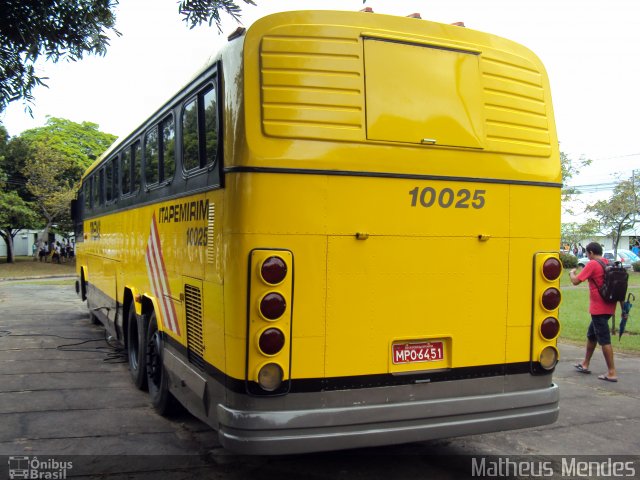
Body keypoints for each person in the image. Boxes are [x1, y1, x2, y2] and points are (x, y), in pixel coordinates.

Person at [569, 242, 626, 382]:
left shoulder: (593, 264)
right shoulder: (608, 263)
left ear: (591, 253)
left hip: (598, 308)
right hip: (609, 307)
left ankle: (611, 372)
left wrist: (572, 273)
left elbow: (576, 281)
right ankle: (585, 364)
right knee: (592, 335)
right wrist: (623, 308)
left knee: (604, 339)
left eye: (588, 254)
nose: (588, 257)